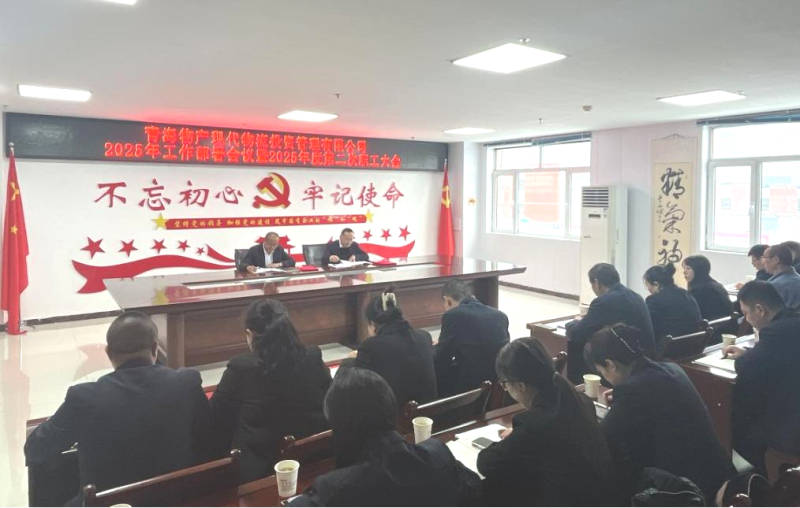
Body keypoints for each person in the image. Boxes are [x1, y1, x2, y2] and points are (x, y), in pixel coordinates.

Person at [24, 312, 213, 503]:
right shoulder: (186, 383)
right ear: (155, 348)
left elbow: (35, 450)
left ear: (108, 353)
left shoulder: (84, 398)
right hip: (178, 499)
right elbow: (209, 440)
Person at [289, 368, 481, 507]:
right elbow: (475, 491)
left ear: (339, 426)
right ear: (390, 409)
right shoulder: (438, 454)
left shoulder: (333, 489)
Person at [586, 324, 733, 502]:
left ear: (611, 365)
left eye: (602, 372)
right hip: (718, 472)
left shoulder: (632, 391)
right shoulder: (671, 368)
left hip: (688, 490)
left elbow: (603, 437)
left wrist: (608, 409)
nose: (606, 378)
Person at [476, 338, 619, 506]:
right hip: (601, 497)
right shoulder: (577, 398)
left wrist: (515, 439)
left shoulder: (533, 423)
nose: (506, 389)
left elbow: (487, 464)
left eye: (505, 384)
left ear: (520, 385)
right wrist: (518, 437)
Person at [209, 300, 331, 482]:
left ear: (250, 334)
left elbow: (215, 418)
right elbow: (330, 402)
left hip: (260, 472)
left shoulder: (240, 369)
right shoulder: (312, 357)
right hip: (313, 459)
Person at [722, 281, 800, 474]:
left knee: (733, 427)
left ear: (760, 310)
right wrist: (750, 353)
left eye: (746, 313)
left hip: (792, 427)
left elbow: (745, 367)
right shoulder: (793, 321)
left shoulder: (776, 331)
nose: (746, 319)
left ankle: (772, 480)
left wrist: (746, 357)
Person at [342, 287, 437, 406]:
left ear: (372, 324)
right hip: (428, 413)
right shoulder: (424, 337)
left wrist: (349, 361)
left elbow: (354, 386)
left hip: (394, 415)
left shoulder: (371, 346)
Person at [565, 263, 656, 383]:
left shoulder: (603, 301)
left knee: (582, 346)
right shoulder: (635, 296)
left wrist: (574, 322)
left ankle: (583, 386)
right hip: (646, 356)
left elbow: (576, 333)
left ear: (597, 283)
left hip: (626, 362)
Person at [434, 280, 510, 397]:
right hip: (498, 384)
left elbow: (441, 358)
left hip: (470, 388)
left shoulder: (453, 315)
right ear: (472, 296)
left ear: (447, 300)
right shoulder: (501, 316)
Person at [643, 263, 702, 346]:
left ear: (656, 284)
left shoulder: (654, 300)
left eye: (647, 285)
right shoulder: (685, 293)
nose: (648, 289)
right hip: (695, 344)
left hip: (671, 347)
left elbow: (648, 327)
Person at [683, 255, 734, 321]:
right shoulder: (715, 284)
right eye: (684, 268)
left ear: (699, 270)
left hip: (713, 326)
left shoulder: (702, 290)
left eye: (688, 268)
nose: (684, 272)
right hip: (721, 324)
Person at [762, 244, 800, 309]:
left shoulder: (774, 286)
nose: (763, 262)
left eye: (764, 257)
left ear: (776, 259)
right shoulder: (797, 278)